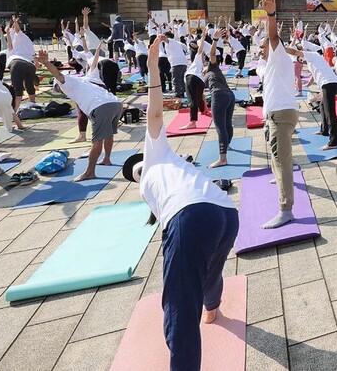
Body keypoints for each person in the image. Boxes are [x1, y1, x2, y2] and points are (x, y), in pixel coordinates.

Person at [121, 36, 238, 371]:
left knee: (179, 309)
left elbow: (155, 112)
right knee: (210, 270)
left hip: (193, 214)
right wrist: (153, 64)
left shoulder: (152, 159)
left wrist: (153, 66)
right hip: (225, 212)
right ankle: (213, 308)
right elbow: (155, 115)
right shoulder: (167, 162)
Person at [36, 50, 123, 182]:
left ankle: (89, 172)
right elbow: (93, 65)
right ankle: (106, 159)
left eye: (56, 88)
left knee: (97, 140)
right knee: (108, 134)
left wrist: (47, 63)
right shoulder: (86, 79)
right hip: (116, 103)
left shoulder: (67, 83)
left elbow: (58, 75)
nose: (58, 91)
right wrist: (97, 50)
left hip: (101, 106)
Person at [259, 0, 302, 228]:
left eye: (264, 47)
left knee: (282, 160)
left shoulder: (277, 55)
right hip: (280, 114)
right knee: (279, 158)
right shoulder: (275, 63)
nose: (262, 50)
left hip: (282, 115)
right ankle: (281, 182)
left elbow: (274, 37)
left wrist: (271, 15)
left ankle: (286, 209)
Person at [204, 29, 235, 169]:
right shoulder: (211, 73)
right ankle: (226, 145)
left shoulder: (213, 67)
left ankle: (222, 158)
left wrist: (215, 40)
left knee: (220, 127)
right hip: (229, 95)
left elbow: (211, 54)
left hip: (220, 95)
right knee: (227, 124)